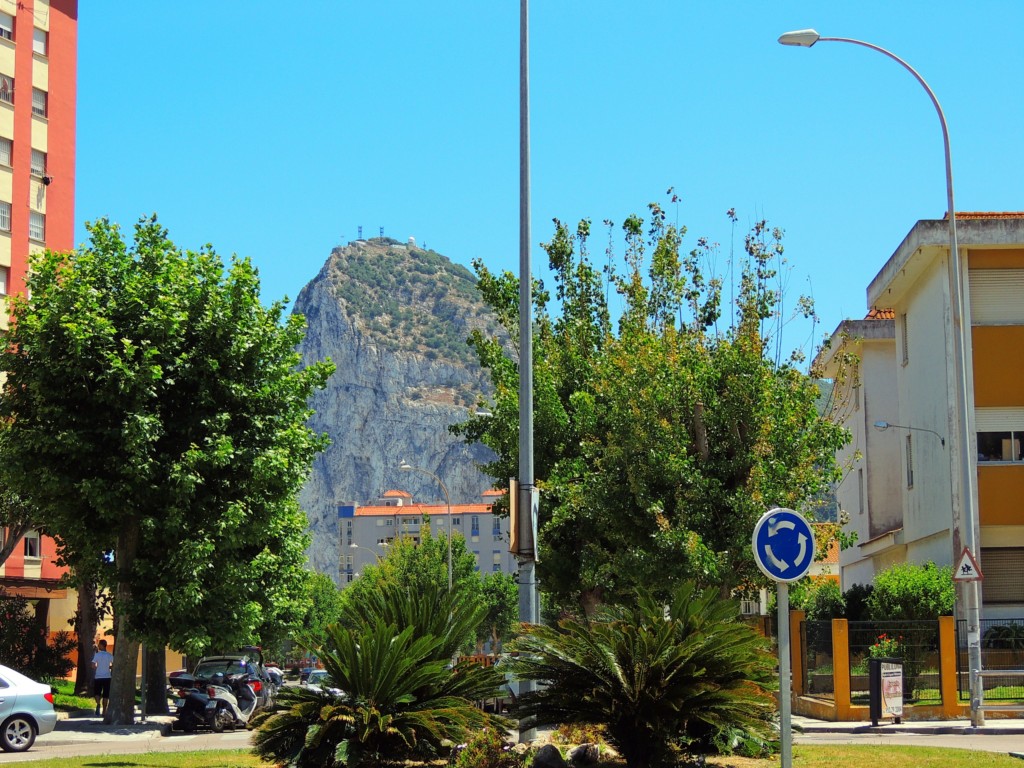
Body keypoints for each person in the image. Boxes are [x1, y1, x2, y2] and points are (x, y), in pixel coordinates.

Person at [91, 639, 113, 717]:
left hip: (98, 677)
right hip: (107, 677)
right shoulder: (109, 655)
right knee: (106, 695)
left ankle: (98, 704)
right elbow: (114, 664)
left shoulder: (97, 655)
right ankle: (104, 711)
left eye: (99, 644)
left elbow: (93, 665)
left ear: (102, 645)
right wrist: (109, 667)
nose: (98, 646)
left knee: (97, 693)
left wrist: (98, 667)